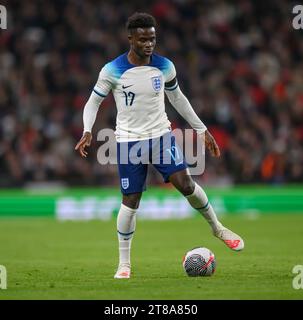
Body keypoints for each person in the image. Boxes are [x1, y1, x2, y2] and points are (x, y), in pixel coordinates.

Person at [75, 12, 244, 279]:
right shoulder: (112, 70)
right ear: (130, 38)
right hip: (129, 141)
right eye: (143, 39)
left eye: (152, 39)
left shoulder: (165, 66)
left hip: (161, 137)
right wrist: (87, 130)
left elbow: (178, 99)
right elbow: (93, 101)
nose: (149, 44)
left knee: (186, 184)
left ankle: (217, 228)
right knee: (130, 202)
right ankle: (124, 264)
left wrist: (201, 129)